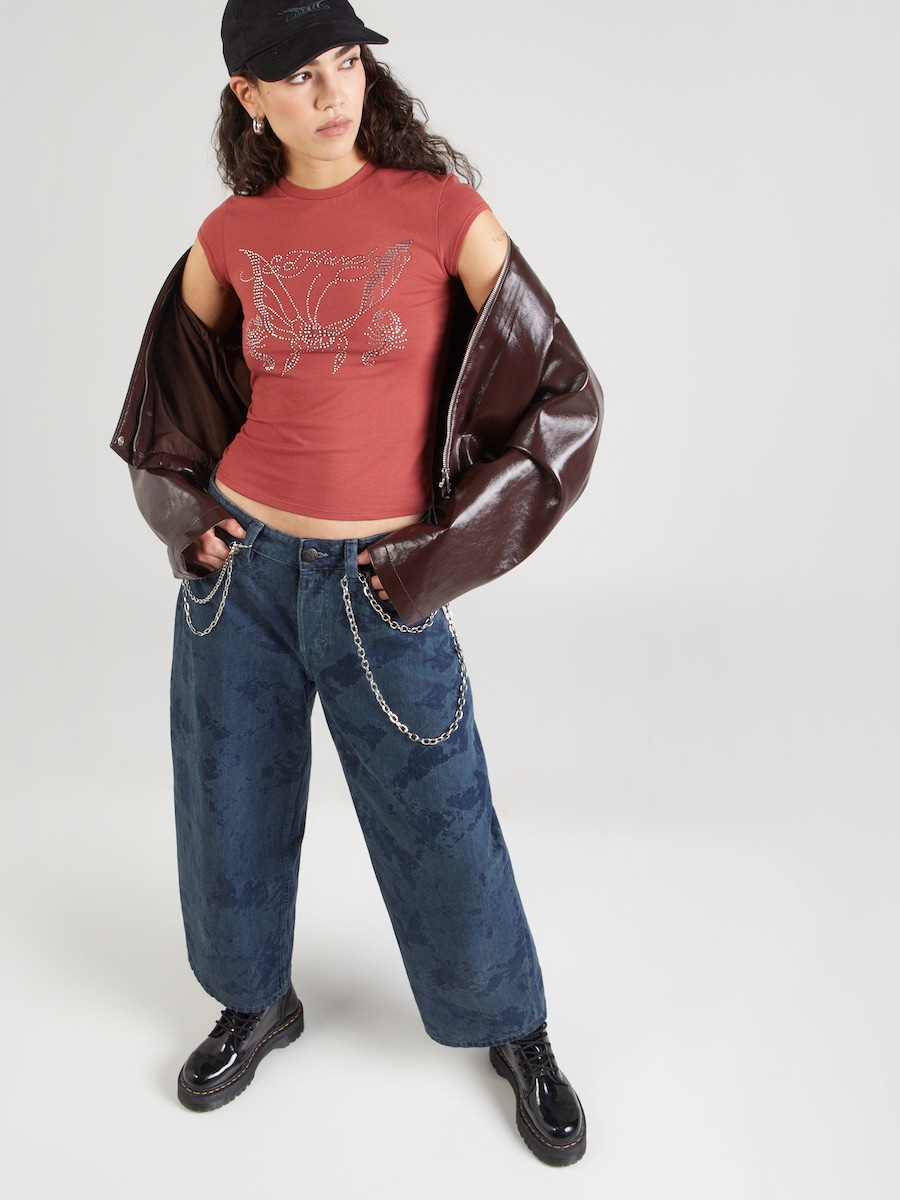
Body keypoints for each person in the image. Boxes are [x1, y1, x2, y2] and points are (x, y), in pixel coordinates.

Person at [112, 0, 601, 1168]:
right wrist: (187, 520)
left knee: (442, 816)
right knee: (226, 800)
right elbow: (165, 411)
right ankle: (252, 1000)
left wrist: (439, 558)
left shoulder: (443, 213)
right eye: (301, 74)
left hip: (382, 582)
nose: (335, 92)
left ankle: (515, 1029)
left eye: (347, 62)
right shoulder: (231, 233)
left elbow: (565, 400)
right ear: (250, 97)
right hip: (241, 583)